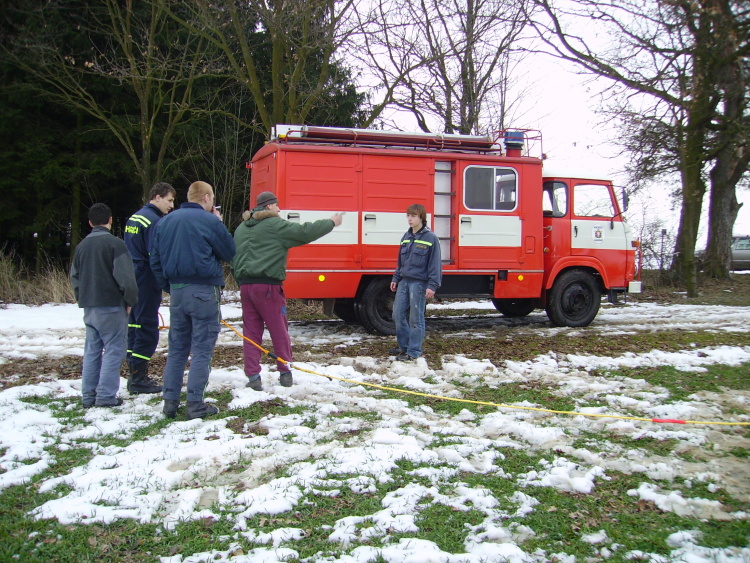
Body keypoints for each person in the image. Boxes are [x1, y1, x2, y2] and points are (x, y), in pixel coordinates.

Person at [231, 191, 343, 391]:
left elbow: (234, 257)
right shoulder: (274, 225)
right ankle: (285, 372)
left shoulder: (241, 228)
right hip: (269, 287)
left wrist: (241, 280)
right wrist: (331, 223)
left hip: (246, 287)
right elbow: (304, 232)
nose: (279, 209)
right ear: (268, 206)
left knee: (251, 332)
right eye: (277, 205)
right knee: (278, 330)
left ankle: (253, 376)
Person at [150, 181, 236, 420]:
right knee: (202, 349)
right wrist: (219, 223)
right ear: (207, 198)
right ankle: (195, 403)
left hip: (177, 291)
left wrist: (169, 287)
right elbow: (230, 252)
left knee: (177, 348)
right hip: (204, 291)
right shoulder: (209, 221)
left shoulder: (164, 222)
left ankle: (170, 402)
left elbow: (154, 260)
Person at [70, 203, 138, 408]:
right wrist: (130, 301)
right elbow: (126, 279)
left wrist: (82, 298)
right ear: (110, 220)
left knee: (92, 351)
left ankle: (88, 396)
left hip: (89, 307)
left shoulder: (81, 247)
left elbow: (75, 277)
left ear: (90, 223)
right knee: (114, 350)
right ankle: (106, 396)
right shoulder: (116, 244)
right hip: (112, 306)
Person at [123, 182, 176, 395]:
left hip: (132, 276)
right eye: (169, 200)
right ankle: (139, 378)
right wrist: (165, 281)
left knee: (134, 325)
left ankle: (133, 372)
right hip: (146, 277)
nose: (171, 205)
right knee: (147, 327)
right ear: (157, 197)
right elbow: (156, 255)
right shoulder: (155, 221)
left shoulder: (134, 218)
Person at [389, 203, 442, 361]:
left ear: (421, 217)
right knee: (397, 315)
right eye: (408, 215)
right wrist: (396, 278)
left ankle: (414, 351)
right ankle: (404, 347)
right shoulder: (406, 237)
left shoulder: (430, 238)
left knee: (415, 319)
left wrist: (432, 285)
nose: (410, 219)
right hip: (404, 281)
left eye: (413, 216)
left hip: (419, 284)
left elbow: (435, 264)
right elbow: (401, 262)